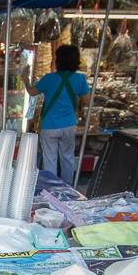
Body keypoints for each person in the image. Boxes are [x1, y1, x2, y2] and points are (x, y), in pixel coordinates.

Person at [23, 44, 90, 184]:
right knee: (68, 158)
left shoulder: (49, 78)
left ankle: (51, 189)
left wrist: (25, 78)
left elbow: (32, 92)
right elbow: (87, 101)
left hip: (50, 125)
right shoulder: (80, 78)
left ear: (58, 61)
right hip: (69, 124)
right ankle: (68, 188)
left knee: (50, 159)